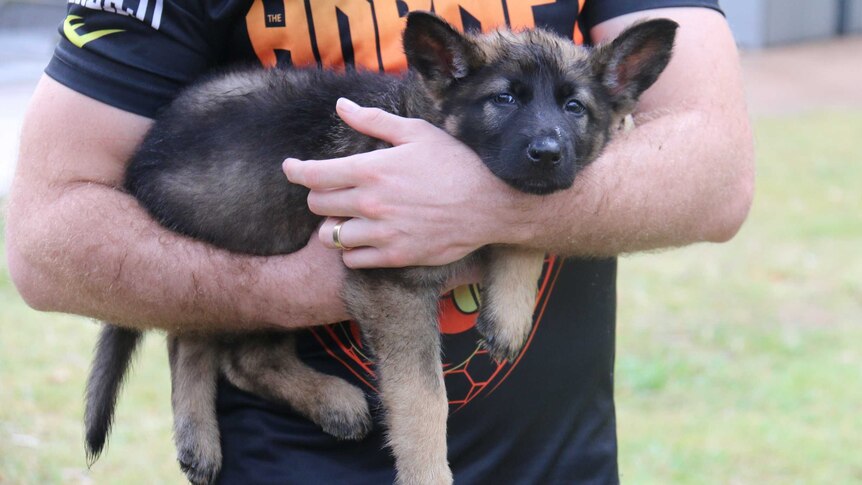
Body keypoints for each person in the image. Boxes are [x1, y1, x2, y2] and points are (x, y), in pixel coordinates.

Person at [5, 1, 753, 483]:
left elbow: (714, 167)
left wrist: (496, 213)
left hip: (563, 465)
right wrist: (290, 289)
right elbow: (47, 237)